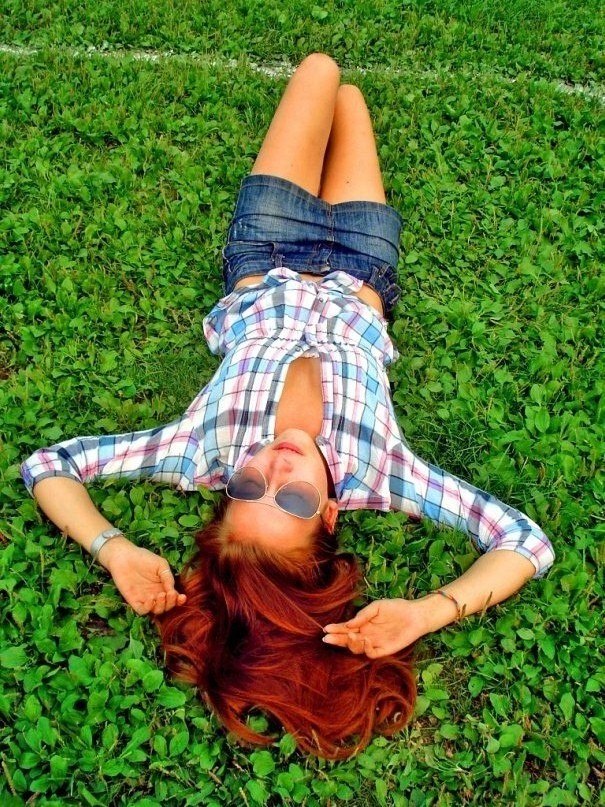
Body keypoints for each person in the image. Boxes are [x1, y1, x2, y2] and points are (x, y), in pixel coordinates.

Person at [20, 53, 555, 759]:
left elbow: (49, 465)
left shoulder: (199, 450)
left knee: (320, 71)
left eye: (248, 488)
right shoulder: (382, 474)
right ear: (330, 515)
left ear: (225, 488)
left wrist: (113, 548)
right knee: (352, 101)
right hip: (364, 267)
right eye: (295, 499)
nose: (273, 467)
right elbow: (525, 543)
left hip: (266, 248)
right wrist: (429, 611)